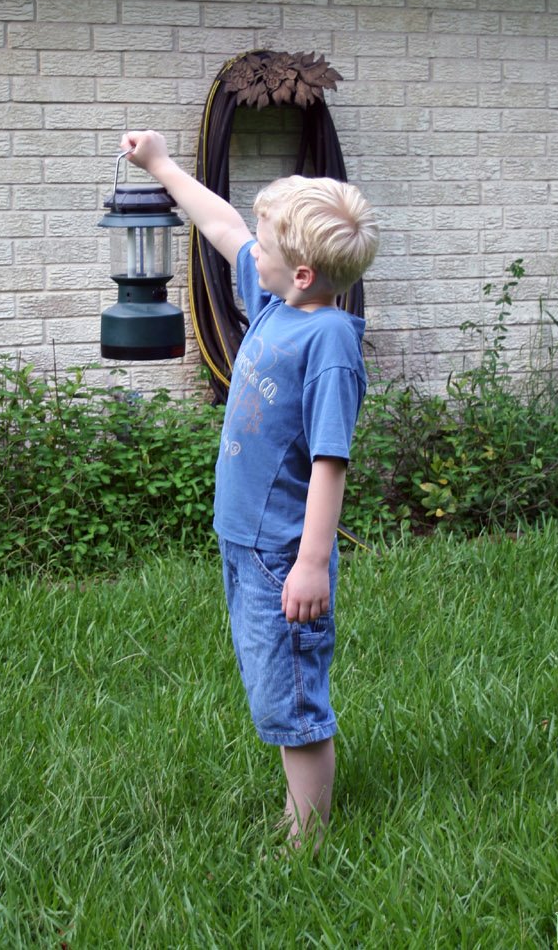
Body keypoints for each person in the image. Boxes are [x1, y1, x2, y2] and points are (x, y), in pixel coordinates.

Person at [118, 129, 379, 852]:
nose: (250, 253)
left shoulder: (327, 341)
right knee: (270, 679)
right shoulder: (277, 307)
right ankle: (301, 814)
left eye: (265, 248)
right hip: (243, 539)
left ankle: (309, 837)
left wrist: (312, 563)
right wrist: (162, 165)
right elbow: (224, 226)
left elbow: (331, 460)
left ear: (300, 273)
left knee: (291, 692)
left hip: (281, 551)